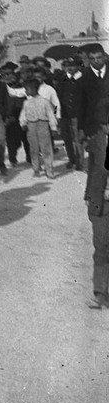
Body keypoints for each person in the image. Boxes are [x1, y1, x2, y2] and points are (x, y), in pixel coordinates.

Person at [85, 92, 109, 309]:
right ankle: (100, 293)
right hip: (101, 203)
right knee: (101, 246)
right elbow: (92, 172)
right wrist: (90, 202)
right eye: (105, 124)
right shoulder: (97, 143)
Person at [74, 43, 109, 172]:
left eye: (99, 57)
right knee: (100, 155)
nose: (96, 61)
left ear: (104, 56)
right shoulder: (83, 78)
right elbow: (81, 105)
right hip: (93, 124)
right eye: (92, 58)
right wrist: (81, 128)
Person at [19, 76, 59, 179]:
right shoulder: (26, 102)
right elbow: (23, 115)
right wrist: (23, 124)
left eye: (27, 89)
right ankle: (36, 169)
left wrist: (53, 128)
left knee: (46, 148)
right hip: (31, 126)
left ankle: (49, 169)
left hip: (43, 125)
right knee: (33, 149)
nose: (26, 91)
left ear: (34, 89)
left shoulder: (45, 101)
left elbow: (51, 115)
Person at [57, 56, 85, 171]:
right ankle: (71, 159)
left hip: (77, 114)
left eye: (73, 66)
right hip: (64, 114)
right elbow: (57, 97)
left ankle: (80, 162)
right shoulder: (63, 79)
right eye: (68, 66)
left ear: (78, 66)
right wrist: (57, 114)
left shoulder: (83, 79)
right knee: (67, 139)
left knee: (78, 139)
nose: (70, 68)